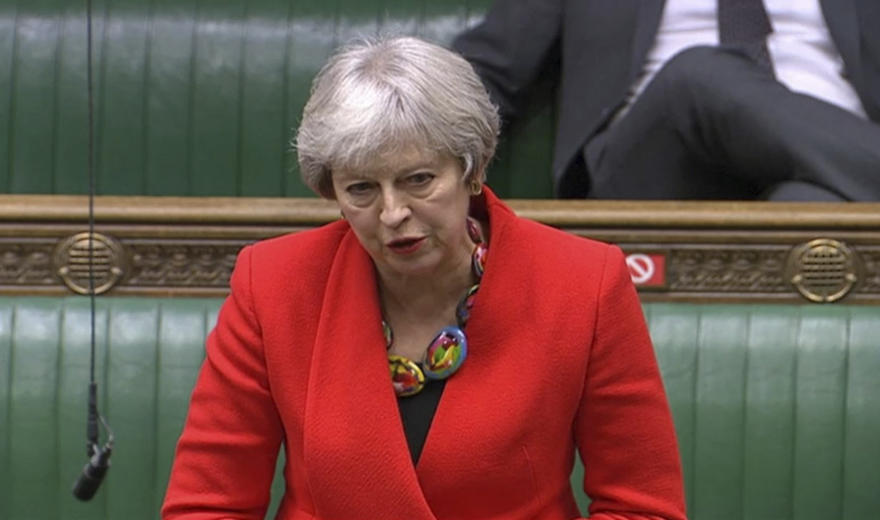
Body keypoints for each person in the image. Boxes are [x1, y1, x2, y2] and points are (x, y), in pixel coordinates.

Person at [162, 36, 685, 520]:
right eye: (362, 189)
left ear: (472, 168)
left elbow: (643, 505)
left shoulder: (582, 284)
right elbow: (207, 505)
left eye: (418, 180)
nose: (392, 213)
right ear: (331, 192)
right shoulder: (274, 284)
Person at [453, 0, 880, 201]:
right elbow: (489, 68)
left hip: (824, 162)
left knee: (809, 213)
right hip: (652, 161)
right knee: (698, 78)